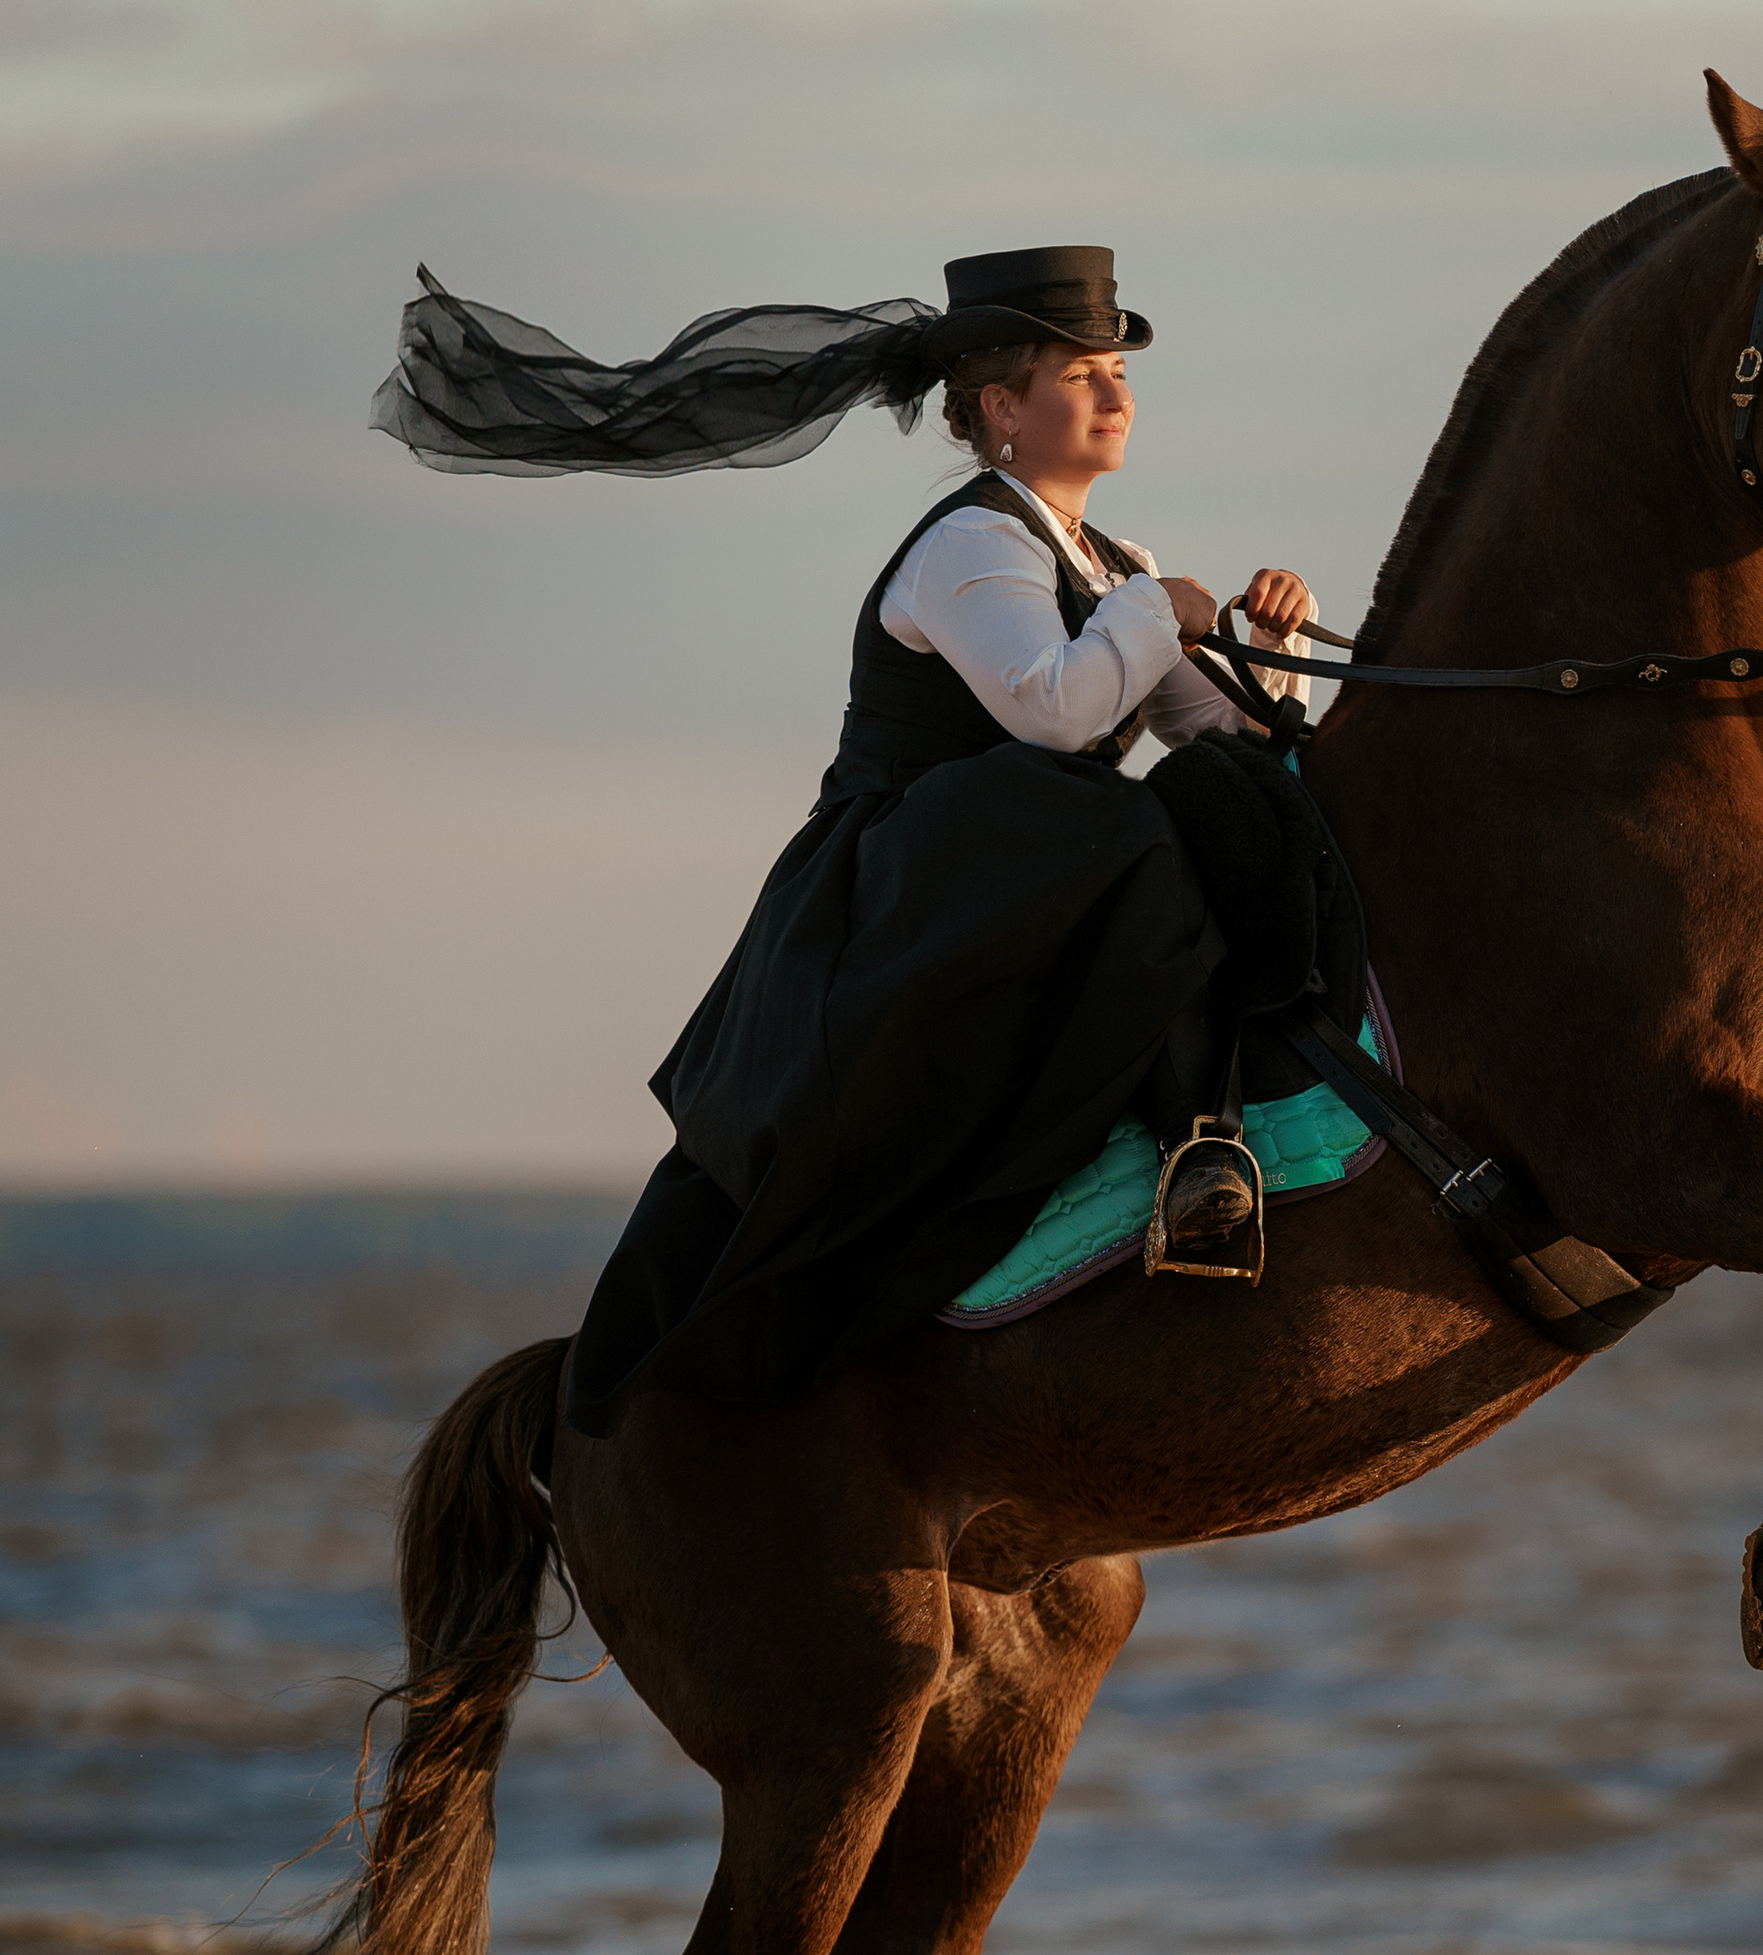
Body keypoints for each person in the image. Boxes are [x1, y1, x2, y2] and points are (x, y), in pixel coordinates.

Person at [373, 243, 1332, 1425]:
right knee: (1120, 817)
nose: (1117, 393)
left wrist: (1277, 645)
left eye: (1117, 374)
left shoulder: (1116, 563)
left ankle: (1214, 1141)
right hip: (902, 887)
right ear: (1000, 410)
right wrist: (1157, 613)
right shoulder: (971, 544)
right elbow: (1056, 709)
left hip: (1025, 876)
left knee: (1213, 808)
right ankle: (1192, 1143)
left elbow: (1225, 741)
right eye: (1081, 374)